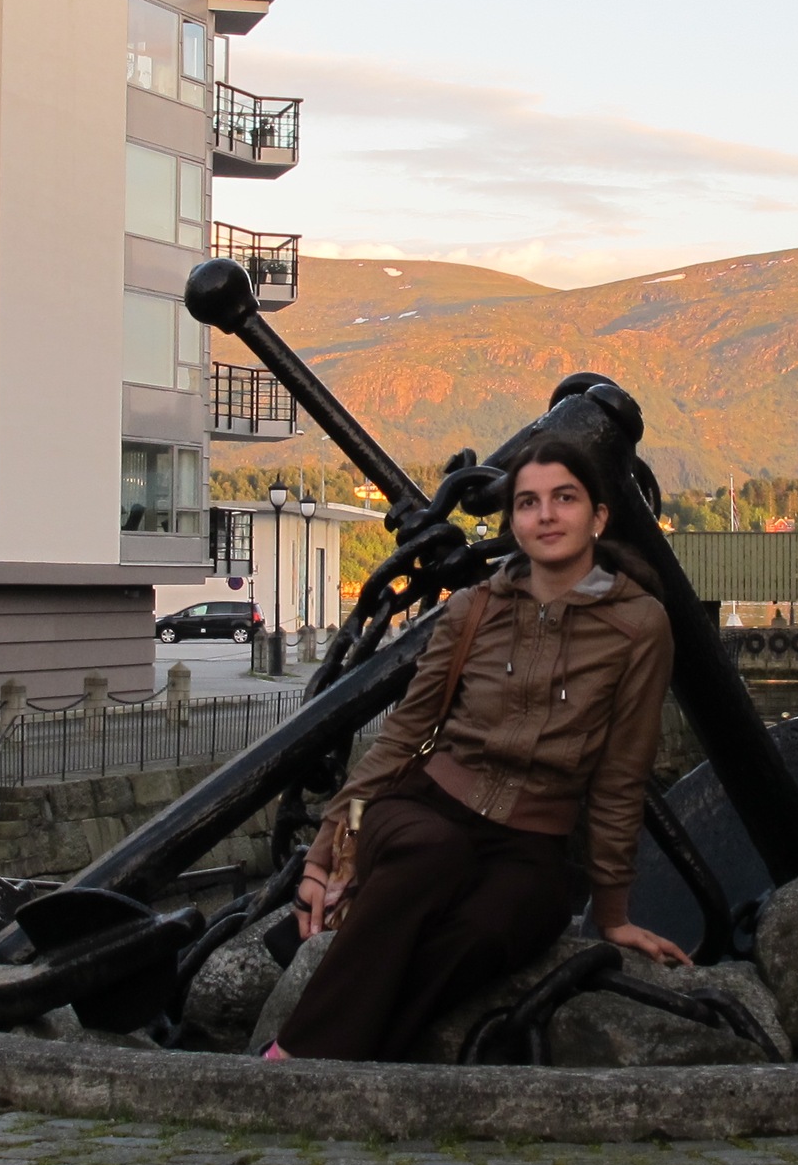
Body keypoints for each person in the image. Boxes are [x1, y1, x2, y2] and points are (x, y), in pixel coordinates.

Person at [268, 435, 687, 1061]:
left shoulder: (639, 626)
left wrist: (613, 912)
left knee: (491, 929)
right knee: (433, 853)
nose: (546, 515)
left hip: (530, 843)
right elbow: (402, 737)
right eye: (528, 503)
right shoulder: (473, 610)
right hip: (424, 808)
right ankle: (295, 1059)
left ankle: (358, 1058)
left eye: (565, 498)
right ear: (513, 522)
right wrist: (324, 856)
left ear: (598, 516)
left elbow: (621, 776)